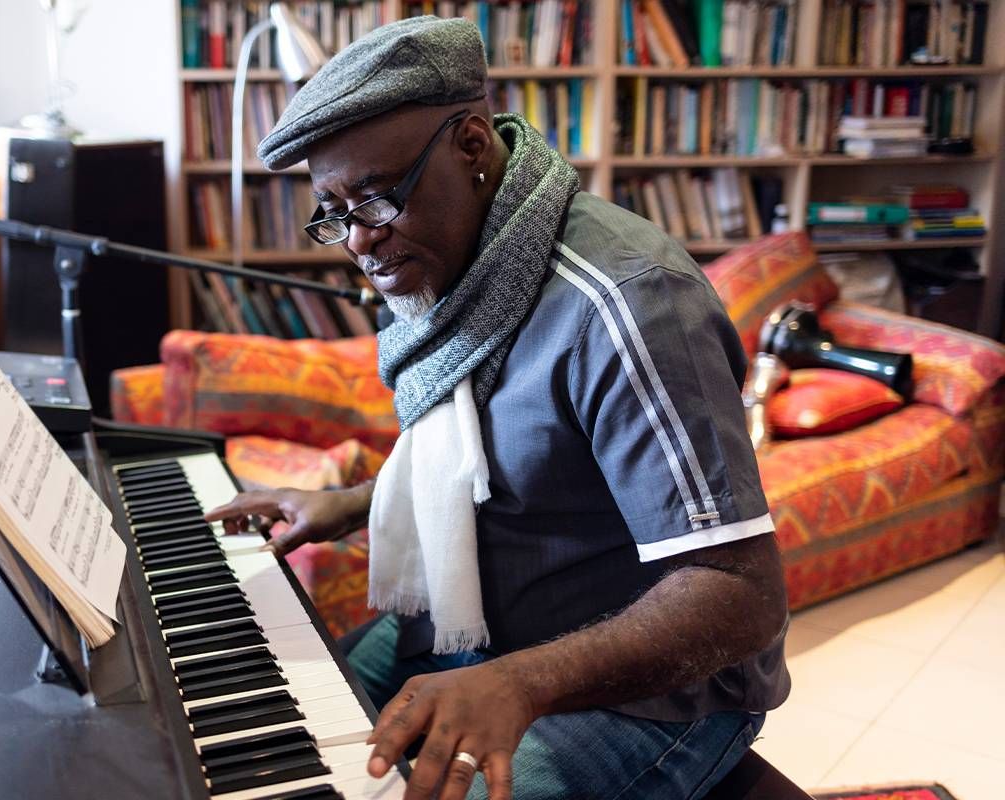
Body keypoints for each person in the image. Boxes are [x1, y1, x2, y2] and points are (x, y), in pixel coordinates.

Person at [204, 16, 790, 800]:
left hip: (651, 700)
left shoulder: (626, 306)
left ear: (473, 148)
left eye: (375, 200)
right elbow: (487, 457)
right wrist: (347, 503)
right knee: (266, 733)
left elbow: (740, 594)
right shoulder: (457, 261)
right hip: (476, 625)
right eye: (334, 212)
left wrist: (518, 683)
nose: (358, 243)